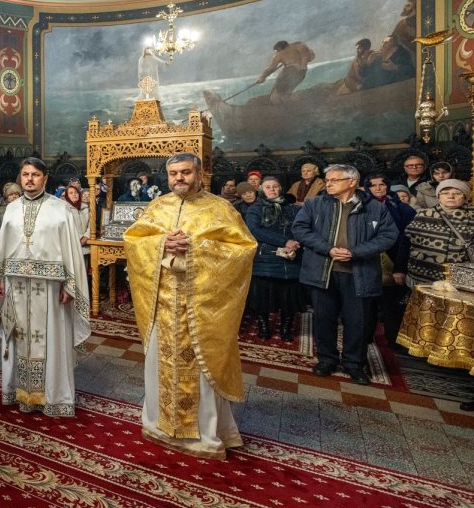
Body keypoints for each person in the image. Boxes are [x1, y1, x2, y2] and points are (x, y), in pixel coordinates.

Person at [122, 153, 257, 459]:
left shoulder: (220, 208)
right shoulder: (158, 206)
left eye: (185, 172)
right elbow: (134, 241)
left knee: (202, 368)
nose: (179, 178)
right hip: (162, 304)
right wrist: (161, 244)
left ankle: (205, 436)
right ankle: (158, 425)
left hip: (202, 308)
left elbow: (243, 249)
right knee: (160, 365)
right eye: (173, 173)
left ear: (199, 173)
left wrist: (196, 247)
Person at [0, 157, 91, 416]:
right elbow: (2, 247)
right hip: (15, 286)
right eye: (25, 174)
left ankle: (53, 396)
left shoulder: (61, 209)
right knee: (17, 337)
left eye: (35, 174)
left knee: (52, 339)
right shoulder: (11, 209)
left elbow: (71, 251)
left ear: (45, 178)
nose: (30, 179)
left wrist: (70, 285)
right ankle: (18, 391)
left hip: (50, 290)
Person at [292, 164, 398, 385]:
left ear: (352, 182)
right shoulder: (314, 204)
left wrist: (355, 252)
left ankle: (354, 364)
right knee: (324, 319)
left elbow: (388, 236)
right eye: (327, 180)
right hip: (323, 271)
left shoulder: (374, 207)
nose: (328, 184)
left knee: (358, 321)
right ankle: (327, 359)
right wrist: (328, 249)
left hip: (359, 274)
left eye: (334, 180)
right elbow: (300, 229)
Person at [245, 177, 302, 342]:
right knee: (262, 296)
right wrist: (284, 241)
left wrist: (295, 243)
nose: (272, 190)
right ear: (261, 190)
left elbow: (301, 228)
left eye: (275, 186)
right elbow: (255, 231)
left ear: (280, 188)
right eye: (268, 187)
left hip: (290, 257)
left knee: (289, 296)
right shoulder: (255, 209)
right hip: (265, 256)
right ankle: (263, 326)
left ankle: (286, 328)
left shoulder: (292, 208)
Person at [365, 173, 415, 349]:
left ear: (388, 186)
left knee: (392, 304)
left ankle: (394, 340)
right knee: (367, 304)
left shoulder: (402, 208)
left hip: (394, 259)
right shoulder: (361, 207)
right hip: (368, 259)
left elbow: (408, 239)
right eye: (373, 185)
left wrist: (400, 268)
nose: (378, 188)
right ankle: (366, 336)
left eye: (382, 184)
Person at [405, 179, 474, 284]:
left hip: (461, 276)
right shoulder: (424, 215)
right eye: (445, 193)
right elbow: (405, 242)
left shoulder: (471, 217)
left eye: (457, 193)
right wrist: (399, 270)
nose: (451, 196)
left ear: (465, 197)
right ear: (438, 196)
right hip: (424, 273)